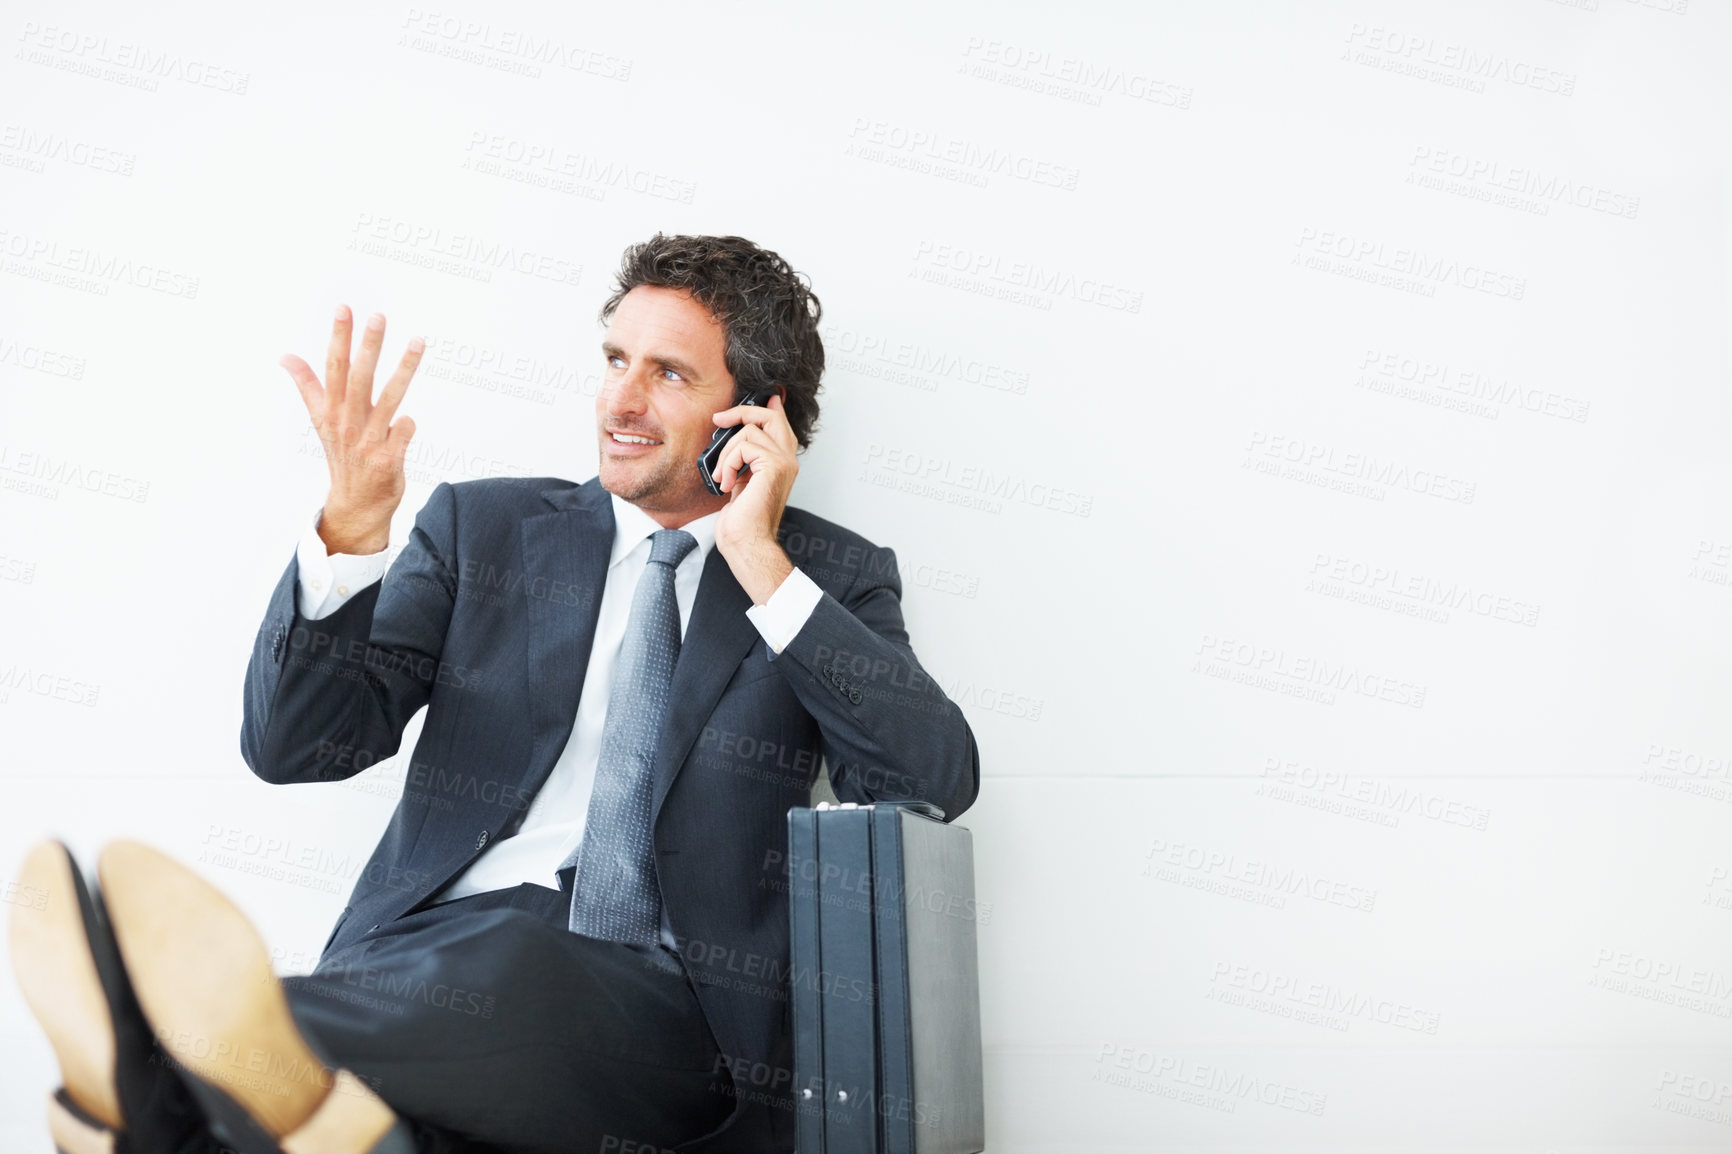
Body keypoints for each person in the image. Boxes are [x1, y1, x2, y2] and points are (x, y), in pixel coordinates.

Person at [10, 234, 981, 1154]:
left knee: (522, 954)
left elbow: (925, 776)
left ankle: (171, 1055)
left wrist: (760, 558)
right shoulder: (486, 528)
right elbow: (298, 745)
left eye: (669, 373)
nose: (622, 399)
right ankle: (242, 1096)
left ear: (754, 412)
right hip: (420, 967)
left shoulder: (823, 576)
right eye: (614, 359)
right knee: (437, 1034)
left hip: (669, 1014)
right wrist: (348, 534)